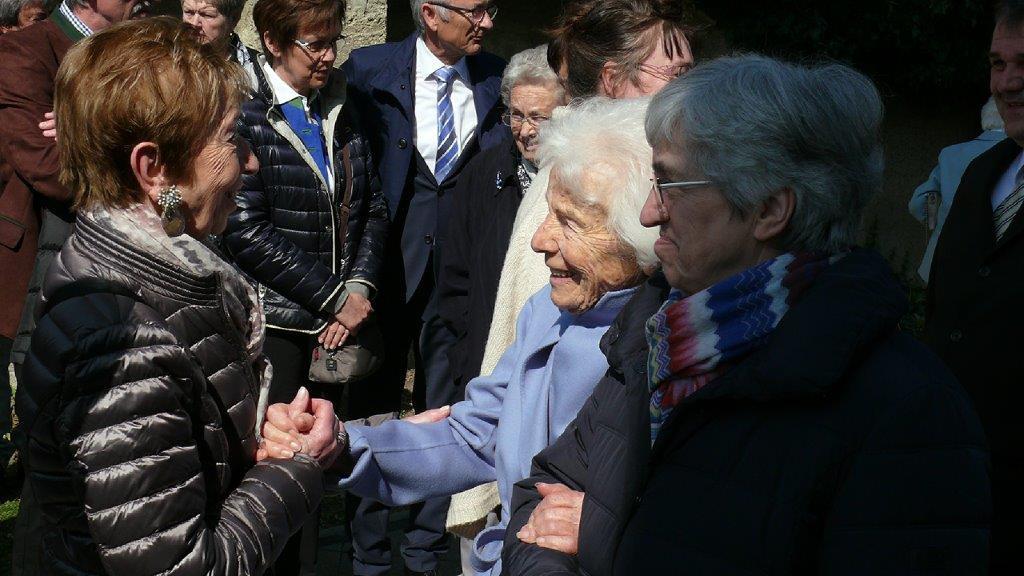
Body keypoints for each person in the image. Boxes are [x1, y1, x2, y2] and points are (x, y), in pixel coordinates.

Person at [503, 56, 991, 576]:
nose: (648, 212)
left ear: (769, 210)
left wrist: (606, 537)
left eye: (669, 185)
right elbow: (538, 503)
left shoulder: (909, 410)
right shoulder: (661, 336)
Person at [261, 96, 660, 576]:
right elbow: (478, 435)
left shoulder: (672, 348)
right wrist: (342, 445)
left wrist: (605, 528)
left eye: (569, 222)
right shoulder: (549, 311)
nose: (540, 240)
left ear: (642, 232)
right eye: (548, 213)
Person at [14, 16, 338, 575]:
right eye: (232, 139)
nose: (251, 161)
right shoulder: (122, 344)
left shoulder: (156, 278)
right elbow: (183, 565)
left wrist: (261, 437)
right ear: (155, 169)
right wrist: (299, 468)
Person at [339, 1, 507, 573]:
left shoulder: (498, 79)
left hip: (459, 277)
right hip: (384, 274)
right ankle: (368, 554)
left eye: (491, 9)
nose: (488, 22)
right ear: (432, 14)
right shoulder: (369, 70)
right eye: (476, 10)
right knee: (372, 408)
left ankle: (426, 550)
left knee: (447, 407)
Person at [221, 0, 387, 572]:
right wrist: (333, 299)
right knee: (274, 470)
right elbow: (245, 230)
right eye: (314, 44)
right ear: (272, 41)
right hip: (279, 327)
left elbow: (372, 208)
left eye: (333, 41)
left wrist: (358, 288)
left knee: (317, 468)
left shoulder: (342, 108)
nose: (329, 56)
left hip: (339, 327)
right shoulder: (246, 116)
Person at [479, 0, 694, 397]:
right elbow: (532, 377)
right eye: (676, 75)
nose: (690, 90)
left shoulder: (665, 175)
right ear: (613, 79)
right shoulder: (574, 181)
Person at [0, 2, 149, 572]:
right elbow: (45, 165)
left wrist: (92, 137)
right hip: (47, 283)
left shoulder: (141, 54)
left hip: (136, 281)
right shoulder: (24, 51)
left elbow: (178, 177)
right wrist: (133, 157)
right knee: (53, 461)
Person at [438, 45, 567, 571]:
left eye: (540, 116)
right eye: (516, 114)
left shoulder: (573, 184)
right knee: (479, 520)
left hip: (547, 379)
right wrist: (468, 358)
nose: (525, 129)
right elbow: (455, 279)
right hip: (484, 368)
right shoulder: (484, 172)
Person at [925, 1, 1024, 571]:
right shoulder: (981, 174)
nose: (1008, 83)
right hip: (954, 482)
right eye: (997, 64)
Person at [909, 97, 1004, 282]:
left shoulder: (950, 154)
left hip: (943, 263)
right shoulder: (1016, 154)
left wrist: (940, 223)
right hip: (997, 268)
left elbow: (919, 203)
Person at [181, 0, 258, 87]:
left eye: (207, 15)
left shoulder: (259, 70)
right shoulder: (170, 61)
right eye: (189, 12)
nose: (194, 23)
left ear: (234, 19)